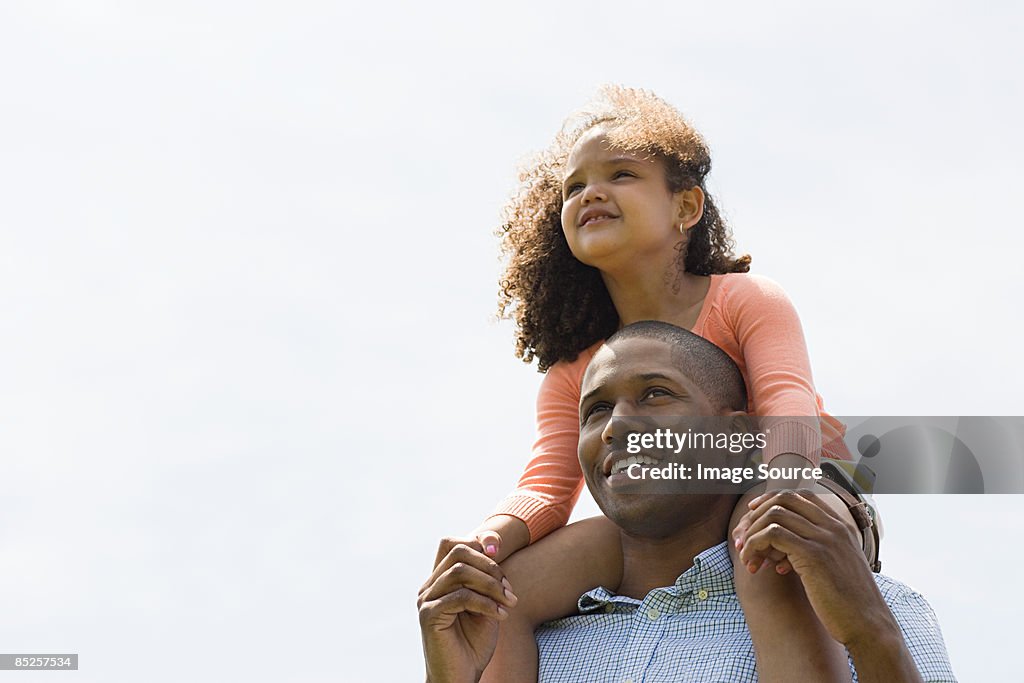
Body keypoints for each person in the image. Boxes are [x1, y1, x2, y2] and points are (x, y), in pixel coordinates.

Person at [433, 86, 859, 680]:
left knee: (767, 553)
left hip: (787, 476)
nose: (592, 193)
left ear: (686, 208)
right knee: (505, 591)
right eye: (574, 186)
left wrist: (784, 483)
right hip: (658, 509)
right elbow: (548, 487)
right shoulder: (573, 371)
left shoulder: (745, 300)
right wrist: (482, 547)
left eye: (621, 173)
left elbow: (788, 401)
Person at [419, 323, 955, 682]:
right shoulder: (532, 636)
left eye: (655, 393)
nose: (618, 426)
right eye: (596, 410)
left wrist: (869, 629)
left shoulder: (869, 607)